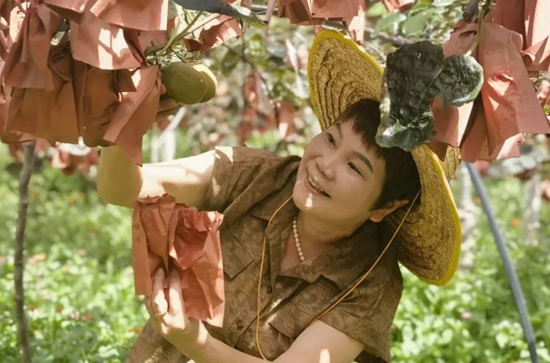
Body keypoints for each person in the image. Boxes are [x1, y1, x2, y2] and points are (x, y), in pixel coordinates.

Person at [97, 30, 461, 363]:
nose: (325, 165)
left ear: (385, 206)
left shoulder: (370, 282)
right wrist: (128, 121)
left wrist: (192, 341)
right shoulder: (253, 175)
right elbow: (123, 189)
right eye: (331, 139)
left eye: (355, 167)